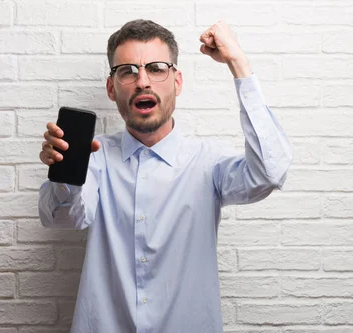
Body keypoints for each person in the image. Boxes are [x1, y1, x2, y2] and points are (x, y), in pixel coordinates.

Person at [38, 19, 292, 333]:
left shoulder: (208, 163)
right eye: (127, 71)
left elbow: (270, 173)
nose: (142, 81)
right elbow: (65, 219)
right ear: (111, 87)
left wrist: (238, 61)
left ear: (177, 82)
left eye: (157, 68)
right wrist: (65, 171)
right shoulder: (93, 157)